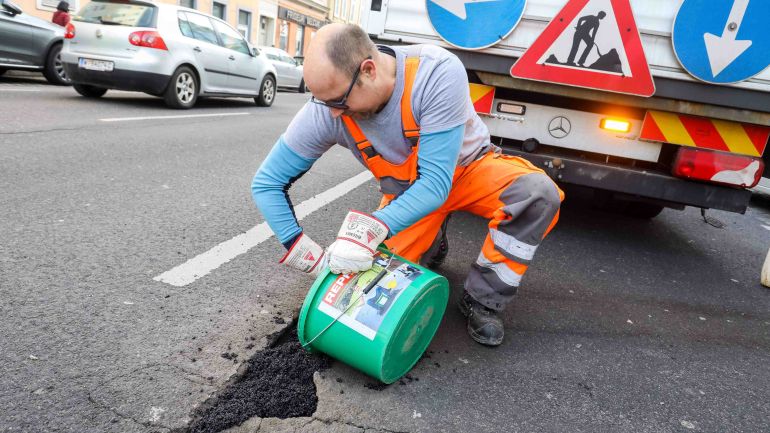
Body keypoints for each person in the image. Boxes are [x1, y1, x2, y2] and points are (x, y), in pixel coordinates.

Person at [251, 24, 563, 346]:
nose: (331, 114)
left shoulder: (434, 73)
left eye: (339, 102)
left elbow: (436, 183)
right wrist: (303, 252)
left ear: (368, 70)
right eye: (322, 102)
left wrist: (369, 230)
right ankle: (432, 239)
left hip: (470, 170)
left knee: (537, 196)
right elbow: (267, 183)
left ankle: (483, 298)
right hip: (408, 195)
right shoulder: (326, 108)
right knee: (367, 286)